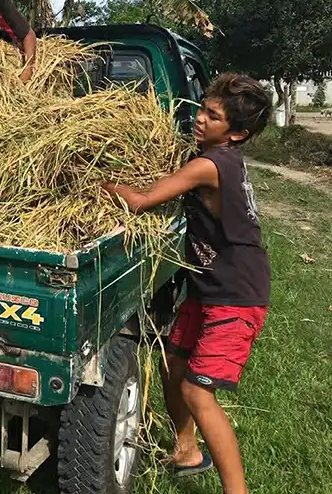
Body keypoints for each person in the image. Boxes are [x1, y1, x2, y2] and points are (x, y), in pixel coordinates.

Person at [102, 73, 273, 494]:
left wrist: (100, 181)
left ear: (236, 133)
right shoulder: (218, 157)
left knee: (199, 393)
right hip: (209, 287)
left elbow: (142, 200)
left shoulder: (209, 164)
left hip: (236, 296)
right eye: (202, 108)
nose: (199, 119)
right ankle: (186, 450)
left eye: (212, 116)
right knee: (173, 364)